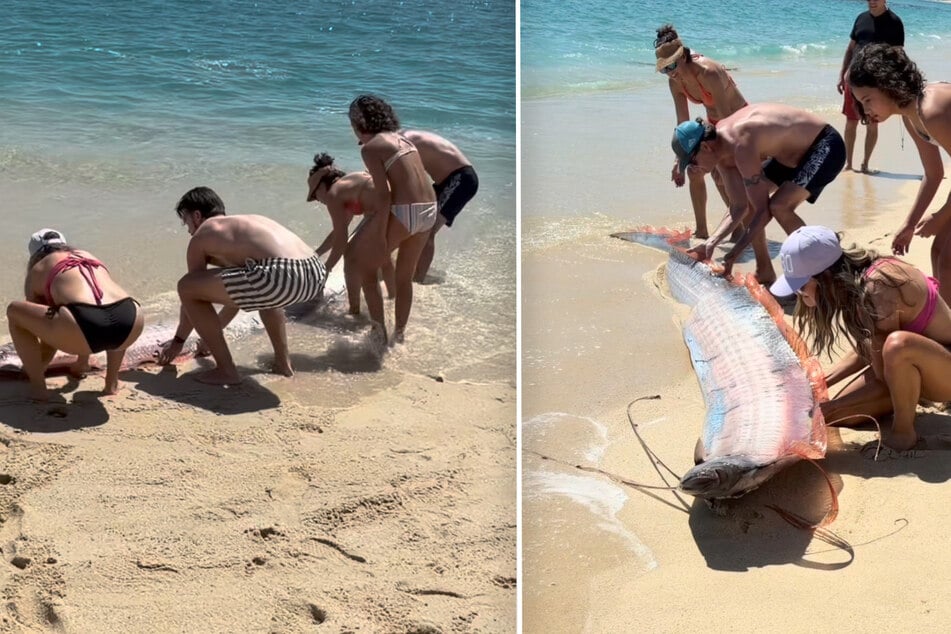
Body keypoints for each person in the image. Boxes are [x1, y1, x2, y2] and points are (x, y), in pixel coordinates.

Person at [770, 225, 951, 452]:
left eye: (802, 287)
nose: (800, 294)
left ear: (825, 277)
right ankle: (906, 395)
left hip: (945, 370)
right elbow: (870, 346)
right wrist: (819, 382)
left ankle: (904, 433)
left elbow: (883, 373)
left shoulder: (877, 288)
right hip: (919, 363)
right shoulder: (857, 283)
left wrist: (818, 412)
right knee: (841, 417)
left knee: (897, 346)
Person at [157, 186, 327, 385]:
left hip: (280, 275)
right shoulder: (240, 228)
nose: (187, 230)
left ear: (196, 215)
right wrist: (210, 336)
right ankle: (283, 364)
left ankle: (226, 370)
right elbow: (239, 295)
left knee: (186, 286)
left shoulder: (203, 234)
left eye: (185, 221)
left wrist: (178, 342)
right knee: (265, 291)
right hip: (314, 271)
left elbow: (190, 297)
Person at [672, 103, 847, 284]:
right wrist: (711, 243)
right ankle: (765, 270)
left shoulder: (740, 143)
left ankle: (823, 273)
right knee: (750, 200)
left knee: (779, 206)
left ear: (706, 147)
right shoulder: (720, 152)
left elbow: (763, 212)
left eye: (692, 162)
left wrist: (733, 254)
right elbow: (739, 207)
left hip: (824, 145)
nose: (693, 168)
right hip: (788, 156)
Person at [848, 43, 951, 302]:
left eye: (868, 100)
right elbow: (933, 173)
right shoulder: (911, 115)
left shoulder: (932, 110)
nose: (865, 110)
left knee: (948, 257)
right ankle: (943, 322)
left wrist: (940, 215)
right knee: (939, 250)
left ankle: (945, 330)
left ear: (887, 84)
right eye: (861, 103)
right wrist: (908, 224)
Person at [6, 228, 145, 400]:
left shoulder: (38, 268)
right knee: (101, 304)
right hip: (131, 319)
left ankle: (38, 388)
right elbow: (92, 305)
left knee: (14, 312)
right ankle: (111, 383)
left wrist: (37, 365)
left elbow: (43, 329)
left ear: (34, 254)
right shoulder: (87, 255)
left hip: (81, 326)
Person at [348, 94, 438, 345]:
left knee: (365, 266)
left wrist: (378, 235)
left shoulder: (371, 147)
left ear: (358, 123)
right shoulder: (404, 140)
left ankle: (379, 335)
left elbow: (384, 195)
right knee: (404, 276)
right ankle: (399, 335)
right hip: (429, 209)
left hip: (405, 212)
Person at [655, 24, 748, 240]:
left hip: (739, 122)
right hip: (715, 123)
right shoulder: (675, 82)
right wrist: (679, 159)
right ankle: (702, 231)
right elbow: (683, 124)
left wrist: (718, 156)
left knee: (719, 174)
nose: (670, 73)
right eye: (665, 69)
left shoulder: (709, 72)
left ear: (683, 57)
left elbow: (728, 120)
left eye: (672, 66)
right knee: (694, 170)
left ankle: (739, 227)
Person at [307, 152, 395, 314]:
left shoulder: (335, 193)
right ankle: (392, 297)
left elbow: (341, 241)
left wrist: (326, 270)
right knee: (383, 255)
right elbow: (338, 234)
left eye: (314, 194)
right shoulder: (347, 187)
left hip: (384, 210)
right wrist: (317, 253)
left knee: (351, 254)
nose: (317, 199)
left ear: (321, 186)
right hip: (396, 210)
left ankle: (354, 310)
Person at [399, 129, 478, 282]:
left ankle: (418, 280)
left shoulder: (402, 142)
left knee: (428, 229)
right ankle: (410, 268)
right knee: (414, 225)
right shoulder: (400, 140)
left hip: (461, 179)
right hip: (445, 181)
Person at [836, 0, 904, 174]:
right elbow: (851, 49)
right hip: (853, 80)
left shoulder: (894, 22)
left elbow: (898, 56)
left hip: (876, 84)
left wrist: (895, 83)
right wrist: (842, 74)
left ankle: (865, 164)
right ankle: (849, 164)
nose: (872, 1)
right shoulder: (861, 18)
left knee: (872, 124)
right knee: (851, 122)